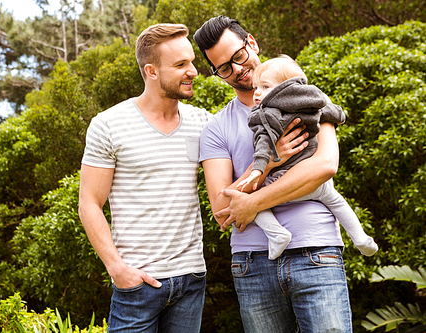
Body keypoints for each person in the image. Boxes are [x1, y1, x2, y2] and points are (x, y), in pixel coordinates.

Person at [194, 16, 354, 332]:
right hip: (252, 264)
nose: (237, 69)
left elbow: (324, 166)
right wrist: (269, 162)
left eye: (238, 57)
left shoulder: (308, 98)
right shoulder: (215, 129)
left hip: (317, 253)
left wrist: (252, 202)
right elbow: (223, 210)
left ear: (251, 43)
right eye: (224, 68)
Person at [78, 23, 210, 333]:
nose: (193, 71)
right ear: (151, 71)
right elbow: (89, 203)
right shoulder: (109, 125)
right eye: (180, 65)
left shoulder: (203, 123)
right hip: (137, 286)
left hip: (191, 280)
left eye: (191, 61)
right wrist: (118, 270)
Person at [237, 55, 378, 259]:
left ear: (285, 88)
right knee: (338, 202)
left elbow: (264, 143)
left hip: (285, 181)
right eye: (256, 87)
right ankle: (361, 239)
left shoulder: (268, 114)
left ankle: (277, 235)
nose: (257, 93)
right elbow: (334, 113)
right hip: (315, 183)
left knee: (251, 204)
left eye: (265, 87)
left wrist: (258, 169)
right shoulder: (313, 103)